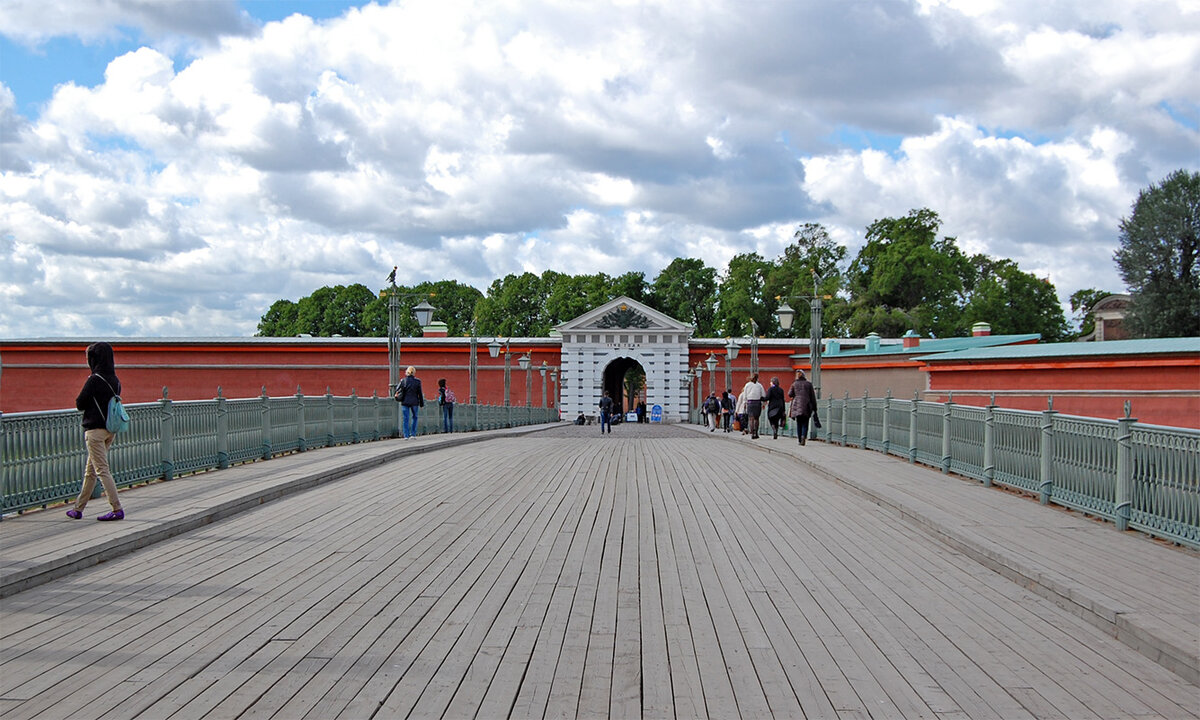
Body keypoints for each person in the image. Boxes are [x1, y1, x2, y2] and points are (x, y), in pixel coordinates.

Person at [67, 341, 125, 521]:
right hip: (110, 430)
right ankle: (78, 508)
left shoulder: (94, 379)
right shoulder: (115, 380)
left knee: (101, 470)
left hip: (94, 431)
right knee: (90, 471)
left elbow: (80, 403)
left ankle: (117, 509)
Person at [788, 369, 819, 446]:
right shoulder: (808, 384)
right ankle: (803, 437)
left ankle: (799, 439)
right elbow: (812, 397)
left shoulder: (794, 384)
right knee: (805, 423)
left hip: (796, 406)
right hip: (806, 406)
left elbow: (790, 394)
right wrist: (814, 408)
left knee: (799, 423)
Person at [394, 366, 424, 439]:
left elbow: (397, 390)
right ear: (414, 373)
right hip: (414, 402)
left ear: (407, 372)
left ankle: (406, 435)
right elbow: (420, 393)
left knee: (406, 418)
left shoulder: (403, 381)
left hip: (405, 401)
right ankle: (413, 434)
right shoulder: (417, 381)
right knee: (415, 417)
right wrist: (421, 403)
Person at [740, 373, 767, 439]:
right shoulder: (759, 385)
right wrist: (763, 404)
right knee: (756, 419)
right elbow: (763, 395)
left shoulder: (747, 385)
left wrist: (744, 404)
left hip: (750, 402)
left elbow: (745, 395)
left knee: (751, 418)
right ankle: (756, 433)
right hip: (757, 403)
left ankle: (752, 433)